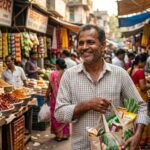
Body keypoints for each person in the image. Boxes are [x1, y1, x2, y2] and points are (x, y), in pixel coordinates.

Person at [55, 24, 148, 150]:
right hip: (81, 147)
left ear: (103, 46)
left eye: (90, 42)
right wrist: (87, 105)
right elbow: (59, 113)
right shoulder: (69, 76)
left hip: (116, 146)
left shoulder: (119, 74)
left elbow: (141, 106)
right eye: (81, 43)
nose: (84, 47)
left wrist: (138, 135)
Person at [46, 58, 70, 142]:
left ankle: (59, 136)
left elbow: (50, 87)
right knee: (65, 115)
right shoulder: (68, 73)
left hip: (55, 99)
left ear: (57, 65)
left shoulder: (53, 74)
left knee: (56, 116)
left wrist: (46, 96)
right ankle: (65, 135)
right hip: (66, 98)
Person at [128, 53, 150, 145]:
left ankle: (132, 137)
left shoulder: (129, 69)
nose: (145, 65)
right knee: (143, 116)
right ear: (141, 62)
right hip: (140, 95)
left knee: (134, 117)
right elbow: (143, 86)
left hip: (131, 96)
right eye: (144, 63)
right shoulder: (140, 71)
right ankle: (141, 140)